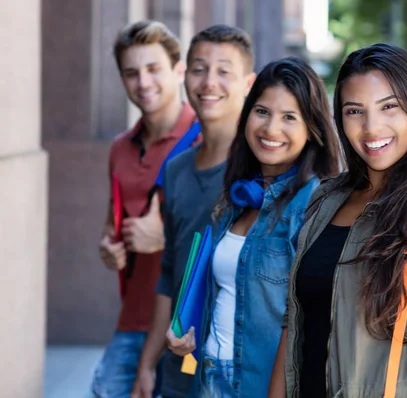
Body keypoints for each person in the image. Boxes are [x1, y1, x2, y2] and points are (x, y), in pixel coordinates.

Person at [269, 43, 407, 397]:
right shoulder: (327, 197)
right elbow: (295, 321)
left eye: (389, 107)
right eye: (354, 111)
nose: (371, 127)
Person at [167, 56, 342, 398]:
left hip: (261, 387)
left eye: (289, 117)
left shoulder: (312, 204)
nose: (271, 129)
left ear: (312, 130)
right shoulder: (236, 198)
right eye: (262, 111)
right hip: (207, 377)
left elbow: (316, 321)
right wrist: (190, 334)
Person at [131, 25, 257, 398]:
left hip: (238, 374)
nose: (209, 82)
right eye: (200, 68)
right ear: (185, 75)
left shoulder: (262, 172)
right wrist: (147, 363)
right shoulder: (175, 169)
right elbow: (170, 274)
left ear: (248, 83)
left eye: (224, 71)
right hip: (179, 370)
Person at [94, 20, 198, 398]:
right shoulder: (120, 147)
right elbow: (114, 224)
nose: (143, 82)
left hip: (185, 326)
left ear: (178, 70)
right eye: (131, 73)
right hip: (132, 317)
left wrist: (163, 237)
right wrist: (110, 249)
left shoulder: (206, 139)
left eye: (153, 69)